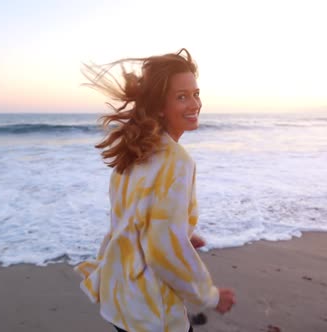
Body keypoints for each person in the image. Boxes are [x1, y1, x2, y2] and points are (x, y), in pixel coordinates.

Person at [75, 48, 236, 332]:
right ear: (160, 106)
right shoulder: (176, 161)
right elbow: (162, 248)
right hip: (151, 311)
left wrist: (184, 232)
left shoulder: (133, 153)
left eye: (196, 93)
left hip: (119, 297)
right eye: (181, 97)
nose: (194, 104)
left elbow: (130, 223)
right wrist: (209, 296)